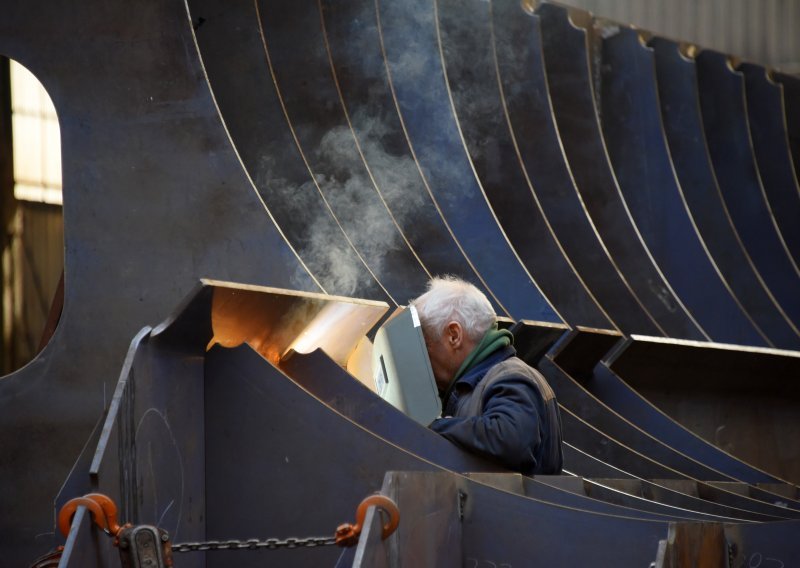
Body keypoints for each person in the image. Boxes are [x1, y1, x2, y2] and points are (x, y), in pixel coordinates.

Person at [411, 276, 563, 475]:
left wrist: (430, 427)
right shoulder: (474, 384)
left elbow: (511, 440)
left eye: (425, 345)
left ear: (454, 336)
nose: (422, 359)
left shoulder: (510, 376)